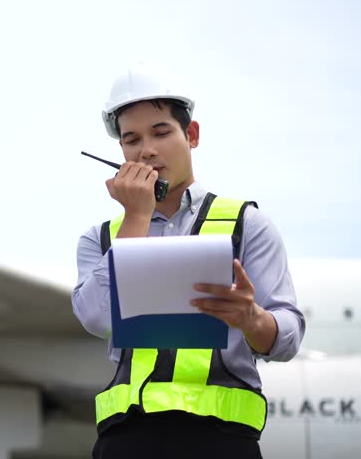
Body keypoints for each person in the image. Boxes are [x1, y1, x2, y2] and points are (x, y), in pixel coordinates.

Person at [72, 67, 305, 459]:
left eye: (161, 132)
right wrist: (136, 218)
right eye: (131, 140)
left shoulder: (247, 226)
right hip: (127, 439)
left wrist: (251, 319)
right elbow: (96, 319)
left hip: (222, 440)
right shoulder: (102, 238)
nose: (146, 149)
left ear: (191, 135)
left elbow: (288, 338)